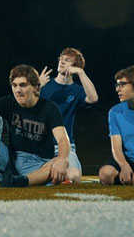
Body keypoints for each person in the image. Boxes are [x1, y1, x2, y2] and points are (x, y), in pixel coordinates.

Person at [0, 64, 70, 187]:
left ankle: (20, 181)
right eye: (14, 85)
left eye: (23, 85)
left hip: (38, 165)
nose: (18, 90)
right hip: (11, 161)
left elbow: (63, 138)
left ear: (35, 88)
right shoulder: (10, 102)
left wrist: (62, 159)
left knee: (61, 161)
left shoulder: (49, 108)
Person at [39, 47, 98, 183]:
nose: (62, 62)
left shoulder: (76, 90)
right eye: (61, 59)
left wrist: (81, 73)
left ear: (75, 67)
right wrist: (37, 87)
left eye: (68, 60)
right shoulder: (45, 85)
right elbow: (25, 106)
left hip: (65, 147)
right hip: (40, 147)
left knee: (74, 177)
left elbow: (93, 98)